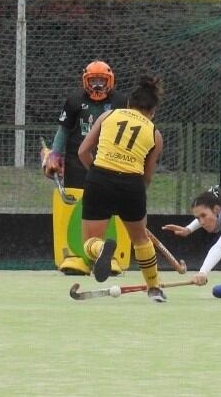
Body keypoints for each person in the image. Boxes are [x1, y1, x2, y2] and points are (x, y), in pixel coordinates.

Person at [77, 75, 166, 302]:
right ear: (153, 111)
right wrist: (137, 197)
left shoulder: (109, 115)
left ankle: (101, 250)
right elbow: (147, 175)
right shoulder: (155, 133)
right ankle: (155, 289)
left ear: (128, 104)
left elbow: (83, 152)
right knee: (141, 241)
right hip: (132, 184)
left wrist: (95, 175)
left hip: (100, 178)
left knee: (89, 242)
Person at [42, 60, 128, 275]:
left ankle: (112, 256)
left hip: (111, 162)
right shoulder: (73, 101)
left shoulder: (121, 101)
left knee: (112, 207)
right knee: (77, 205)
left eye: (102, 81)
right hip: (77, 162)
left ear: (110, 81)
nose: (97, 85)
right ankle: (77, 256)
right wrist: (54, 154)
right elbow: (63, 130)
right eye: (93, 81)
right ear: (85, 81)